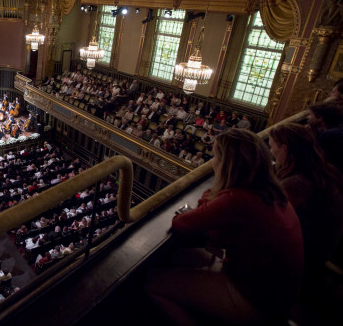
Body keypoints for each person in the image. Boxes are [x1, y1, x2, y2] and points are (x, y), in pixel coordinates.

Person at [145, 129, 303, 325]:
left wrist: (213, 194)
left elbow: (181, 222)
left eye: (215, 156)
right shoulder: (272, 192)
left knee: (152, 282)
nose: (212, 162)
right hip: (279, 293)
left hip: (255, 298)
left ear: (226, 164)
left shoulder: (237, 199)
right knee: (177, 257)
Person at [268, 123, 343, 287]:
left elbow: (266, 216)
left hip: (305, 257)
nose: (271, 152)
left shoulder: (299, 183)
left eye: (272, 147)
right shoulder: (321, 170)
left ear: (285, 148)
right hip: (325, 248)